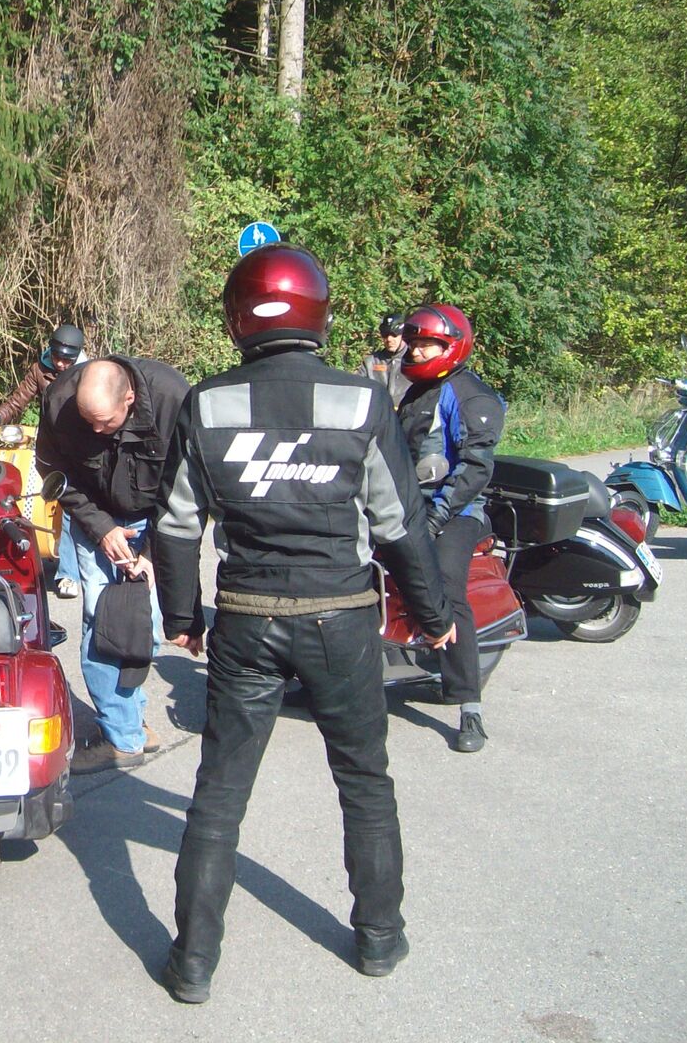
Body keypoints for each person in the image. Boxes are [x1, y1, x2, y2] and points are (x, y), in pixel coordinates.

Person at [152, 244, 455, 1003]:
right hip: (342, 620)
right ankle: (379, 939)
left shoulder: (207, 403)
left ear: (237, 318)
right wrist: (433, 615)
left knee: (220, 794)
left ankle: (192, 963)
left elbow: (176, 525)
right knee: (364, 782)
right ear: (318, 311)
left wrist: (183, 617)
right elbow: (399, 525)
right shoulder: (363, 401)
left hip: (247, 621)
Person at [35, 352, 189, 771]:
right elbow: (53, 472)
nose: (96, 431)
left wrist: (152, 553)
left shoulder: (172, 397)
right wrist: (101, 528)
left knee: (141, 625)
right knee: (102, 622)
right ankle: (124, 737)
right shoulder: (60, 400)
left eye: (104, 422)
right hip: (93, 517)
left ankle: (129, 721)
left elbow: (187, 485)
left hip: (153, 521)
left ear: (130, 399)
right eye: (88, 422)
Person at [398, 303, 506, 753]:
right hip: (407, 507)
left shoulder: (469, 396)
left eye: (427, 344)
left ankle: (468, 706)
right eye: (415, 342)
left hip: (457, 512)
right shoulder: (416, 392)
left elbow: (475, 468)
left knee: (445, 583)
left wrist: (437, 517)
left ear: (451, 347)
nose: (416, 351)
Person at [0, 324, 90, 598]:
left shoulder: (89, 372)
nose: (60, 365)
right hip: (50, 444)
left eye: (67, 360)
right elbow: (18, 401)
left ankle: (68, 575)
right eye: (57, 357)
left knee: (71, 504)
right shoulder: (41, 369)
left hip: (80, 445)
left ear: (77, 356)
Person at [360, 312, 411, 404]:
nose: (389, 339)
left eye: (394, 335)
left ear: (404, 335)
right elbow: (358, 388)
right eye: (385, 335)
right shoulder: (370, 362)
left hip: (405, 411)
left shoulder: (414, 361)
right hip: (378, 410)